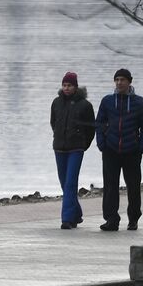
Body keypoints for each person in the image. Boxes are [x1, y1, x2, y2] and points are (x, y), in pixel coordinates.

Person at [94, 67, 143, 231]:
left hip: (132, 150)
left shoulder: (139, 103)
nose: (119, 83)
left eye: (122, 80)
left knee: (133, 186)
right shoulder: (107, 101)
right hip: (110, 149)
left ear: (129, 82)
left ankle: (133, 218)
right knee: (110, 186)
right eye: (117, 80)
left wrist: (142, 146)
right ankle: (111, 219)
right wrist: (101, 143)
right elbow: (99, 123)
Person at [50, 71, 96, 230]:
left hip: (76, 149)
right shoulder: (56, 102)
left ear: (75, 87)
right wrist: (58, 136)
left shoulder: (85, 105)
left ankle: (67, 219)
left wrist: (83, 144)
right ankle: (76, 213)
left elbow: (91, 129)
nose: (66, 88)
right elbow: (53, 122)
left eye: (69, 85)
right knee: (64, 183)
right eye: (64, 85)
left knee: (70, 183)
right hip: (59, 148)